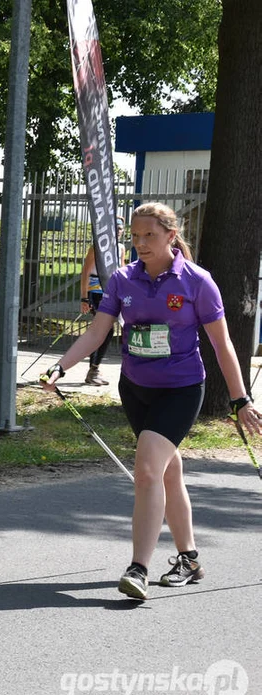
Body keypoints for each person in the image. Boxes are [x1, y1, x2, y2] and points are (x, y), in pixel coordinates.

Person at [42, 202, 262, 601]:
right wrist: (61, 367)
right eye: (136, 236)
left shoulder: (197, 282)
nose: (141, 244)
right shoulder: (123, 280)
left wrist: (240, 399)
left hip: (180, 389)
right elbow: (96, 334)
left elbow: (223, 344)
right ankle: (189, 558)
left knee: (146, 470)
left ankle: (138, 568)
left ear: (171, 237)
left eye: (150, 236)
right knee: (167, 473)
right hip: (135, 387)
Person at [76, 216, 126, 385]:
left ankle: (94, 369)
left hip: (112, 292)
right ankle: (93, 370)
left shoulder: (121, 248)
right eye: (115, 229)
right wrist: (84, 297)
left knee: (108, 330)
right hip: (95, 292)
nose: (118, 232)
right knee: (106, 330)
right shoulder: (96, 249)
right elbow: (85, 273)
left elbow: (122, 271)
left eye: (120, 229)